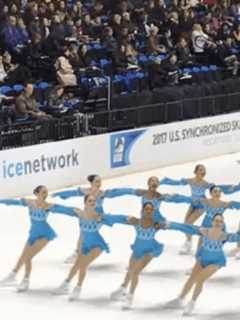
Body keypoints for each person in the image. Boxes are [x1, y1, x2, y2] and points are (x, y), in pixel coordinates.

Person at [0, 185, 79, 292]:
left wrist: (77, 212)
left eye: (46, 192)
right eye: (43, 192)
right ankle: (12, 276)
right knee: (23, 256)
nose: (45, 195)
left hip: (45, 234)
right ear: (36, 194)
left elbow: (64, 210)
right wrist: (2, 200)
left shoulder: (48, 206)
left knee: (27, 257)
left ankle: (26, 280)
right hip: (33, 233)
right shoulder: (30, 203)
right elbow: (13, 202)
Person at [54, 194, 131, 301]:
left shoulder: (99, 216)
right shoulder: (79, 213)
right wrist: (49, 207)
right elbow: (63, 209)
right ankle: (65, 284)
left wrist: (128, 219)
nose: (92, 202)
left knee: (83, 264)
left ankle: (78, 288)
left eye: (94, 201)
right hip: (85, 244)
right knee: (76, 265)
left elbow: (116, 218)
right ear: (85, 202)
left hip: (97, 245)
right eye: (90, 201)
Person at [167, 214, 240, 316]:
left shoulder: (224, 236)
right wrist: (170, 224)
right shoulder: (204, 231)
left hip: (216, 262)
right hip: (203, 258)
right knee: (191, 278)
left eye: (220, 221)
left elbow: (238, 237)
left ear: (223, 224)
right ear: (212, 221)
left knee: (200, 279)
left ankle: (192, 303)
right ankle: (180, 298)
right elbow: (186, 227)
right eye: (216, 220)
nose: (218, 223)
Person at [160, 164, 240, 254]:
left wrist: (235, 188)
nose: (203, 172)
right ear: (196, 171)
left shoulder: (206, 185)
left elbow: (220, 188)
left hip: (201, 205)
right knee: (186, 222)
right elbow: (178, 184)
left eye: (204, 170)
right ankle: (188, 242)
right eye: (201, 169)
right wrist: (165, 182)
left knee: (189, 223)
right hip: (194, 203)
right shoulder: (190, 181)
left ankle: (190, 244)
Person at [110, 202, 167, 309]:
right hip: (137, 249)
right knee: (130, 270)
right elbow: (121, 219)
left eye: (151, 209)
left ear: (153, 211)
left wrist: (165, 224)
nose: (148, 211)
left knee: (135, 272)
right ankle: (123, 288)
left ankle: (130, 297)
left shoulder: (156, 224)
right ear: (142, 210)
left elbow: (171, 225)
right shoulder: (137, 221)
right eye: (146, 209)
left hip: (149, 251)